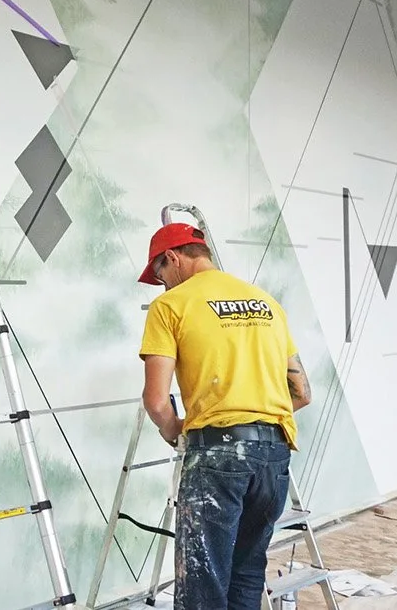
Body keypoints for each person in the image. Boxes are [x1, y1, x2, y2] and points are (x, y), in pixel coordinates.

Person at [136, 222, 312, 609]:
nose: (163, 285)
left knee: (202, 586)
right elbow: (301, 392)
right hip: (274, 459)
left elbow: (156, 401)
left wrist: (176, 431)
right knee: (246, 575)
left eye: (161, 275)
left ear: (173, 258)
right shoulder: (267, 303)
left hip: (218, 457)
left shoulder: (171, 306)